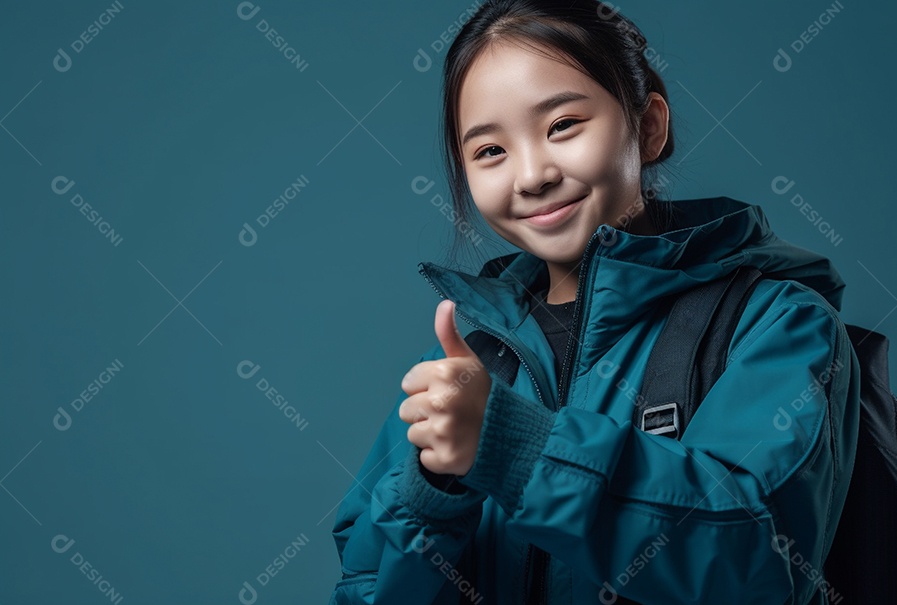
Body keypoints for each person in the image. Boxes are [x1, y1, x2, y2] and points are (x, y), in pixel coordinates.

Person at [329, 1, 860, 603]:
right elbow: (365, 587)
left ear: (649, 127)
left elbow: (758, 565)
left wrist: (515, 449)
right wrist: (433, 495)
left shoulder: (775, 325)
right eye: (490, 151)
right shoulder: (474, 359)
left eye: (562, 126)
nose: (531, 175)